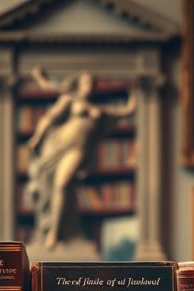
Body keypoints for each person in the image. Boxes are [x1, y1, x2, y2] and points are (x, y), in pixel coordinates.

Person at [24, 67, 136, 250]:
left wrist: (135, 90)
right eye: (85, 82)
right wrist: (36, 138)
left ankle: (54, 233)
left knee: (62, 184)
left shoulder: (99, 109)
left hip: (76, 150)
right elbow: (49, 117)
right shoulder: (69, 99)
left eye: (93, 83)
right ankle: (51, 232)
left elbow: (127, 111)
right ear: (77, 84)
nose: (89, 86)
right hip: (57, 145)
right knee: (49, 187)